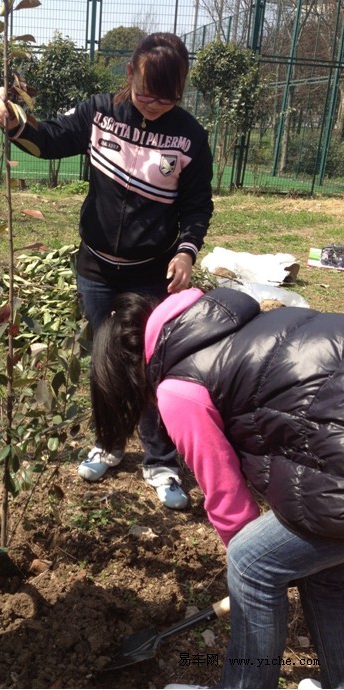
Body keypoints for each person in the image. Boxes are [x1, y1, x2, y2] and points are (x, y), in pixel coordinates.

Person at [0, 33, 214, 509]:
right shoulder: (99, 113)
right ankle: (109, 444)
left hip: (150, 273)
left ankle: (160, 460)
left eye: (167, 96)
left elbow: (197, 205)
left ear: (180, 89)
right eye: (144, 93)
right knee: (105, 357)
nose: (154, 105)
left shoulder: (190, 137)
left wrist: (186, 252)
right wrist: (16, 124)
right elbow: (48, 139)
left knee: (151, 364)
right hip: (95, 268)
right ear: (130, 74)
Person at [90, 287, 344, 689]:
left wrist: (255, 570)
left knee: (252, 560)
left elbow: (229, 501)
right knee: (326, 571)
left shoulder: (178, 390)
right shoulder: (222, 324)